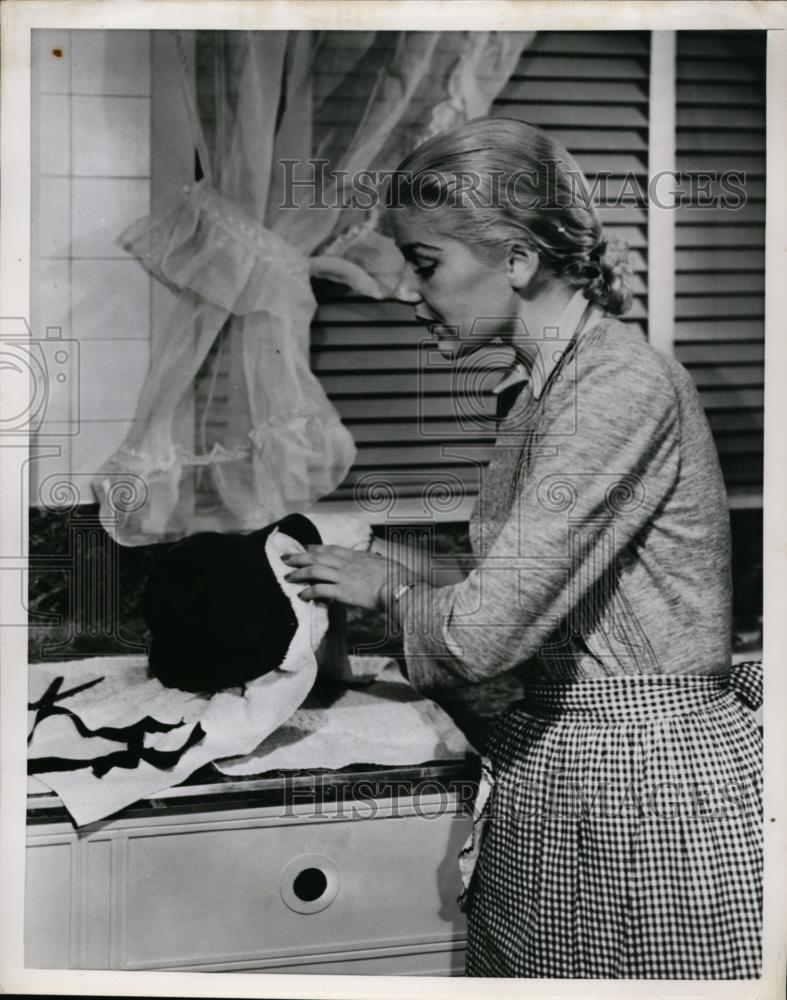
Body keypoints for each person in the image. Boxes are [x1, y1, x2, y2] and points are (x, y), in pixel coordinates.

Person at [282, 118, 762, 979]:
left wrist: (389, 595)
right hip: (569, 774)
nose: (406, 293)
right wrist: (396, 575)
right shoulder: (539, 390)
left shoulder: (618, 384)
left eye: (425, 265)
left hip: (639, 800)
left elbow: (480, 637)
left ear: (515, 258)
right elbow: (544, 593)